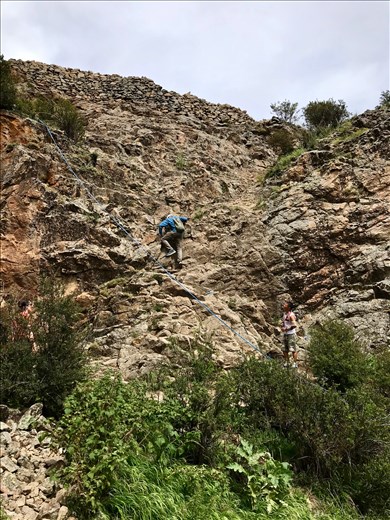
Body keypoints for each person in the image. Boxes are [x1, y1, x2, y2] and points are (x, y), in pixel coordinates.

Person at [281, 301, 298, 368]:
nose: (284, 305)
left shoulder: (291, 315)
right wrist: (282, 326)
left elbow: (294, 325)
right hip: (285, 334)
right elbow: (284, 322)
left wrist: (287, 329)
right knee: (284, 349)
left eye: (285, 305)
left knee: (293, 349)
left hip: (291, 334)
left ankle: (294, 363)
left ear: (289, 307)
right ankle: (287, 362)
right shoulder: (285, 314)